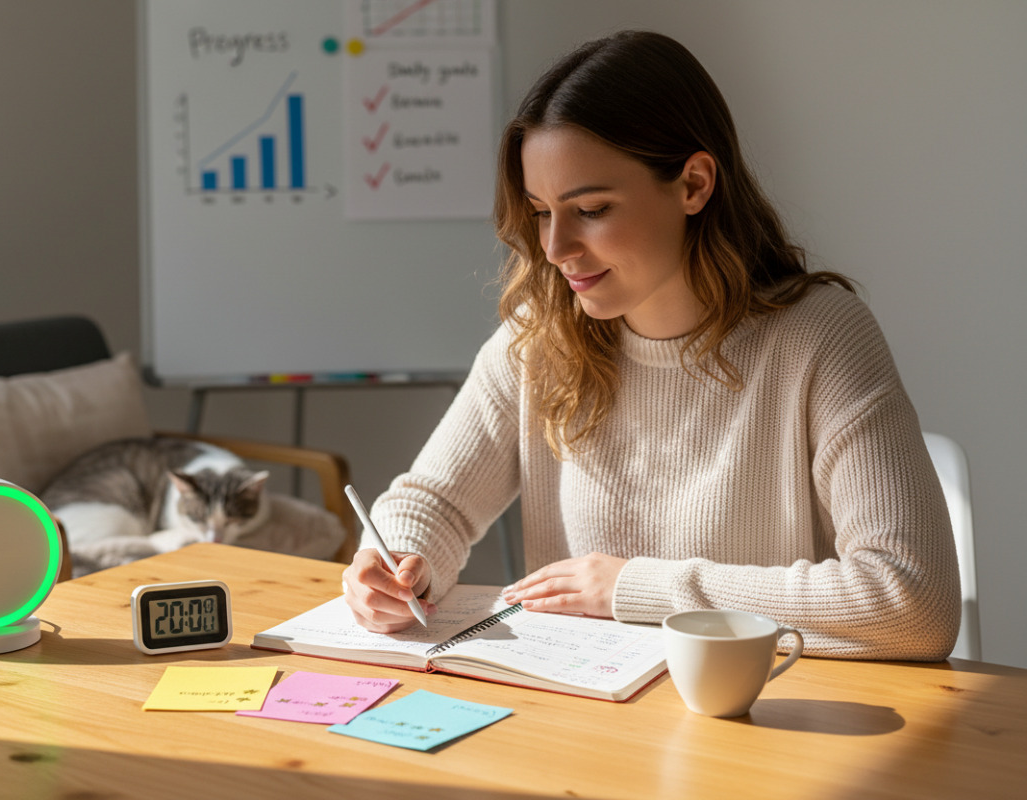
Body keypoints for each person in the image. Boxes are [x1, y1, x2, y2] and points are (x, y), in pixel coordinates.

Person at [342, 30, 960, 660]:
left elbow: (912, 601)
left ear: (693, 184)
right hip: (586, 722)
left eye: (592, 209)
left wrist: (635, 588)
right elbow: (435, 503)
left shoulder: (821, 337)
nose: (556, 250)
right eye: (541, 211)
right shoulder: (539, 338)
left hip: (765, 726)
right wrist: (392, 561)